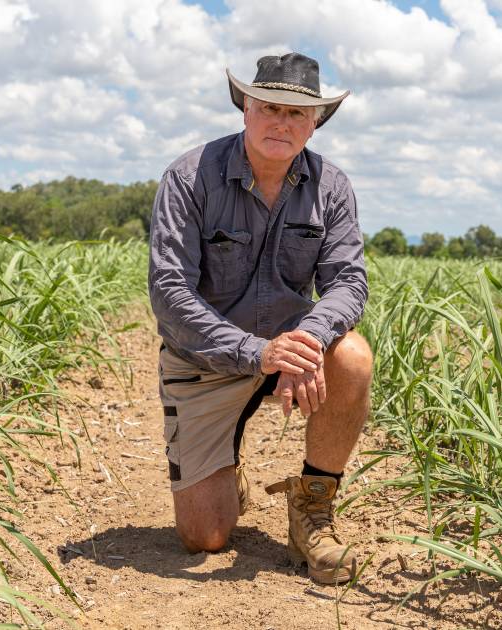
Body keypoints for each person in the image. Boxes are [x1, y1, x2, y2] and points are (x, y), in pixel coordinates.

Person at [148, 52, 372, 584]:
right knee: (205, 538)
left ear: (316, 122)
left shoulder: (331, 187)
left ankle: (313, 510)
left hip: (291, 355)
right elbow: (169, 291)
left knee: (354, 357)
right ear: (244, 107)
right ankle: (225, 466)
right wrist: (258, 352)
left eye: (298, 113)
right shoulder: (189, 177)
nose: (282, 122)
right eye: (270, 107)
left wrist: (309, 341)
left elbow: (347, 282)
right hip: (205, 358)